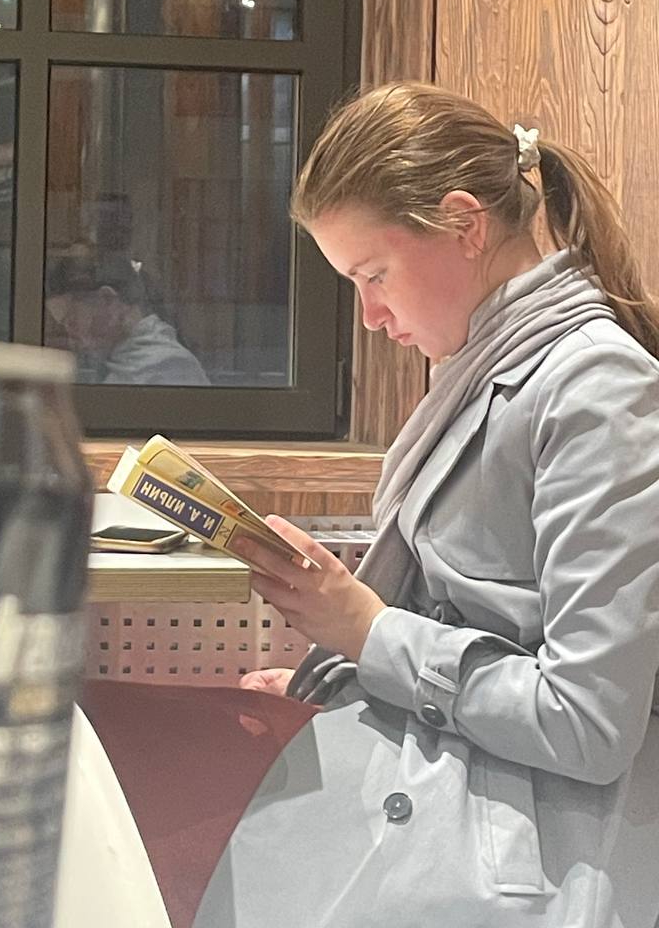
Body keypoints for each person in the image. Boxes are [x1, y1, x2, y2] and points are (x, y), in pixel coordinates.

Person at [194, 82, 659, 927]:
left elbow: (587, 723)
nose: (371, 316)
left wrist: (366, 633)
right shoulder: (486, 369)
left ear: (464, 224)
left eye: (374, 275)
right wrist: (344, 672)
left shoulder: (596, 388)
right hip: (457, 803)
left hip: (522, 861)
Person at [45, 246, 209, 386]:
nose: (70, 336)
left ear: (107, 299)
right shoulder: (114, 362)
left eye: (72, 320)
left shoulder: (170, 368)